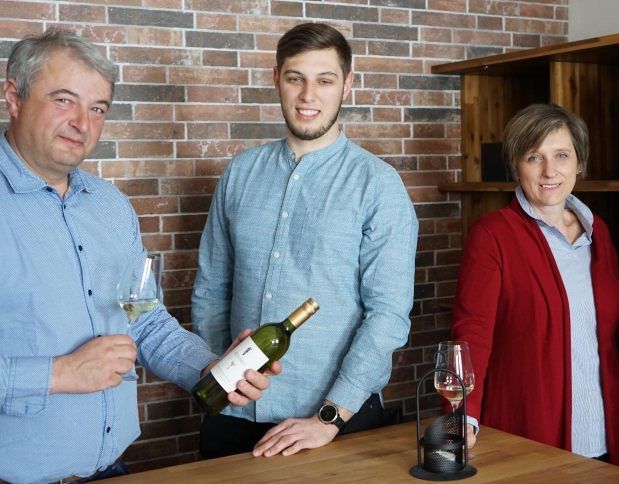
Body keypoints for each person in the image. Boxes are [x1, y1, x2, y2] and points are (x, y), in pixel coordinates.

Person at [0, 29, 273, 483]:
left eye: (97, 108)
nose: (82, 123)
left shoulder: (111, 206)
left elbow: (143, 318)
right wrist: (59, 373)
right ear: (14, 96)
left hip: (115, 470)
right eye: (64, 100)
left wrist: (212, 369)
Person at [191, 22, 418, 459]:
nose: (308, 96)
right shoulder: (239, 173)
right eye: (295, 78)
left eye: (325, 80)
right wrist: (224, 377)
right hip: (232, 418)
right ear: (277, 79)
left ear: (347, 85)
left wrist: (329, 417)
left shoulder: (378, 185)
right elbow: (211, 290)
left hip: (334, 425)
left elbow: (387, 317)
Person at [450, 103, 619, 469]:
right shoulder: (492, 234)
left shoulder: (597, 232)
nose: (549, 171)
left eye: (561, 155)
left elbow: (605, 323)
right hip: (530, 428)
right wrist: (463, 415)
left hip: (606, 429)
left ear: (579, 163)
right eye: (533, 157)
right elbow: (472, 333)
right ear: (516, 166)